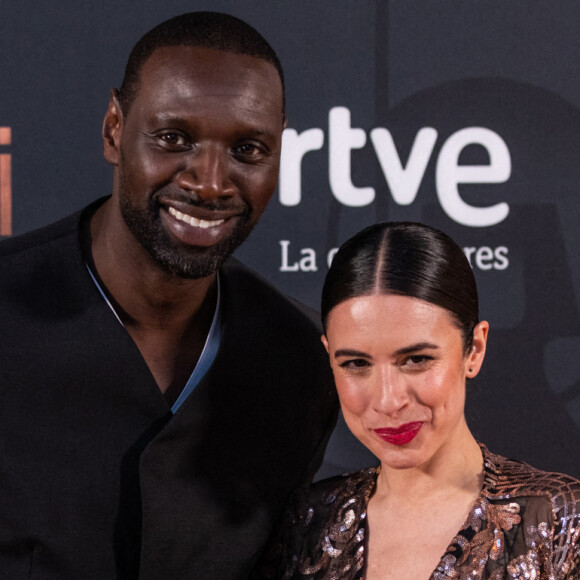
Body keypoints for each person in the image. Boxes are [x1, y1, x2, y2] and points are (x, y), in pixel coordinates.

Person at [0, 12, 337, 579]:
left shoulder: (302, 360)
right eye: (173, 138)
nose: (209, 181)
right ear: (114, 129)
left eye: (248, 150)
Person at [255, 222, 580, 579]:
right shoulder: (307, 523)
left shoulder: (557, 517)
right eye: (356, 364)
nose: (388, 400)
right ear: (329, 356)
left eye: (416, 360)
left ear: (475, 350)